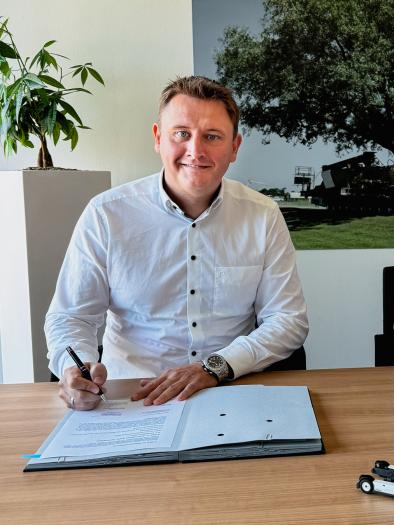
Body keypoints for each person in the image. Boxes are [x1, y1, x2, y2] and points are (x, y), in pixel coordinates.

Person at [45, 76, 308, 410]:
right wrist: (75, 370)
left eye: (212, 137)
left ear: (234, 147)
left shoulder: (263, 215)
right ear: (158, 138)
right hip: (128, 399)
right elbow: (71, 316)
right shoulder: (106, 215)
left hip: (230, 392)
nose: (195, 151)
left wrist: (214, 368)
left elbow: (288, 320)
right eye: (181, 134)